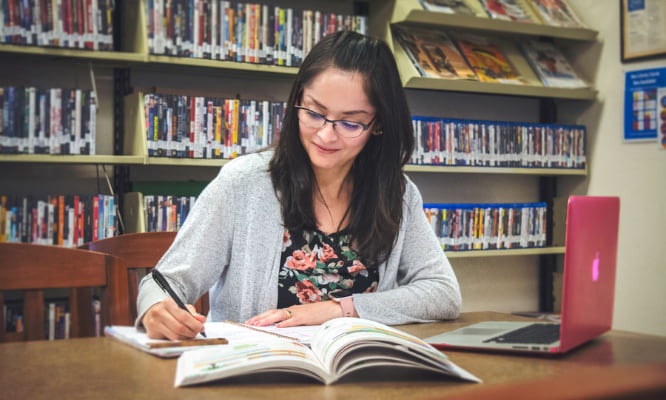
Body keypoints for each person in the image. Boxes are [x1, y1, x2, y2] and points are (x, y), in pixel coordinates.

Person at [137, 30, 462, 340]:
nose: (325, 135)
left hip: (360, 376)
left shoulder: (398, 194)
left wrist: (338, 310)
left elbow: (443, 293)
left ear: (377, 124)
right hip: (261, 376)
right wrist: (155, 309)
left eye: (350, 122)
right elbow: (165, 284)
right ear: (297, 101)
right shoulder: (243, 184)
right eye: (315, 112)